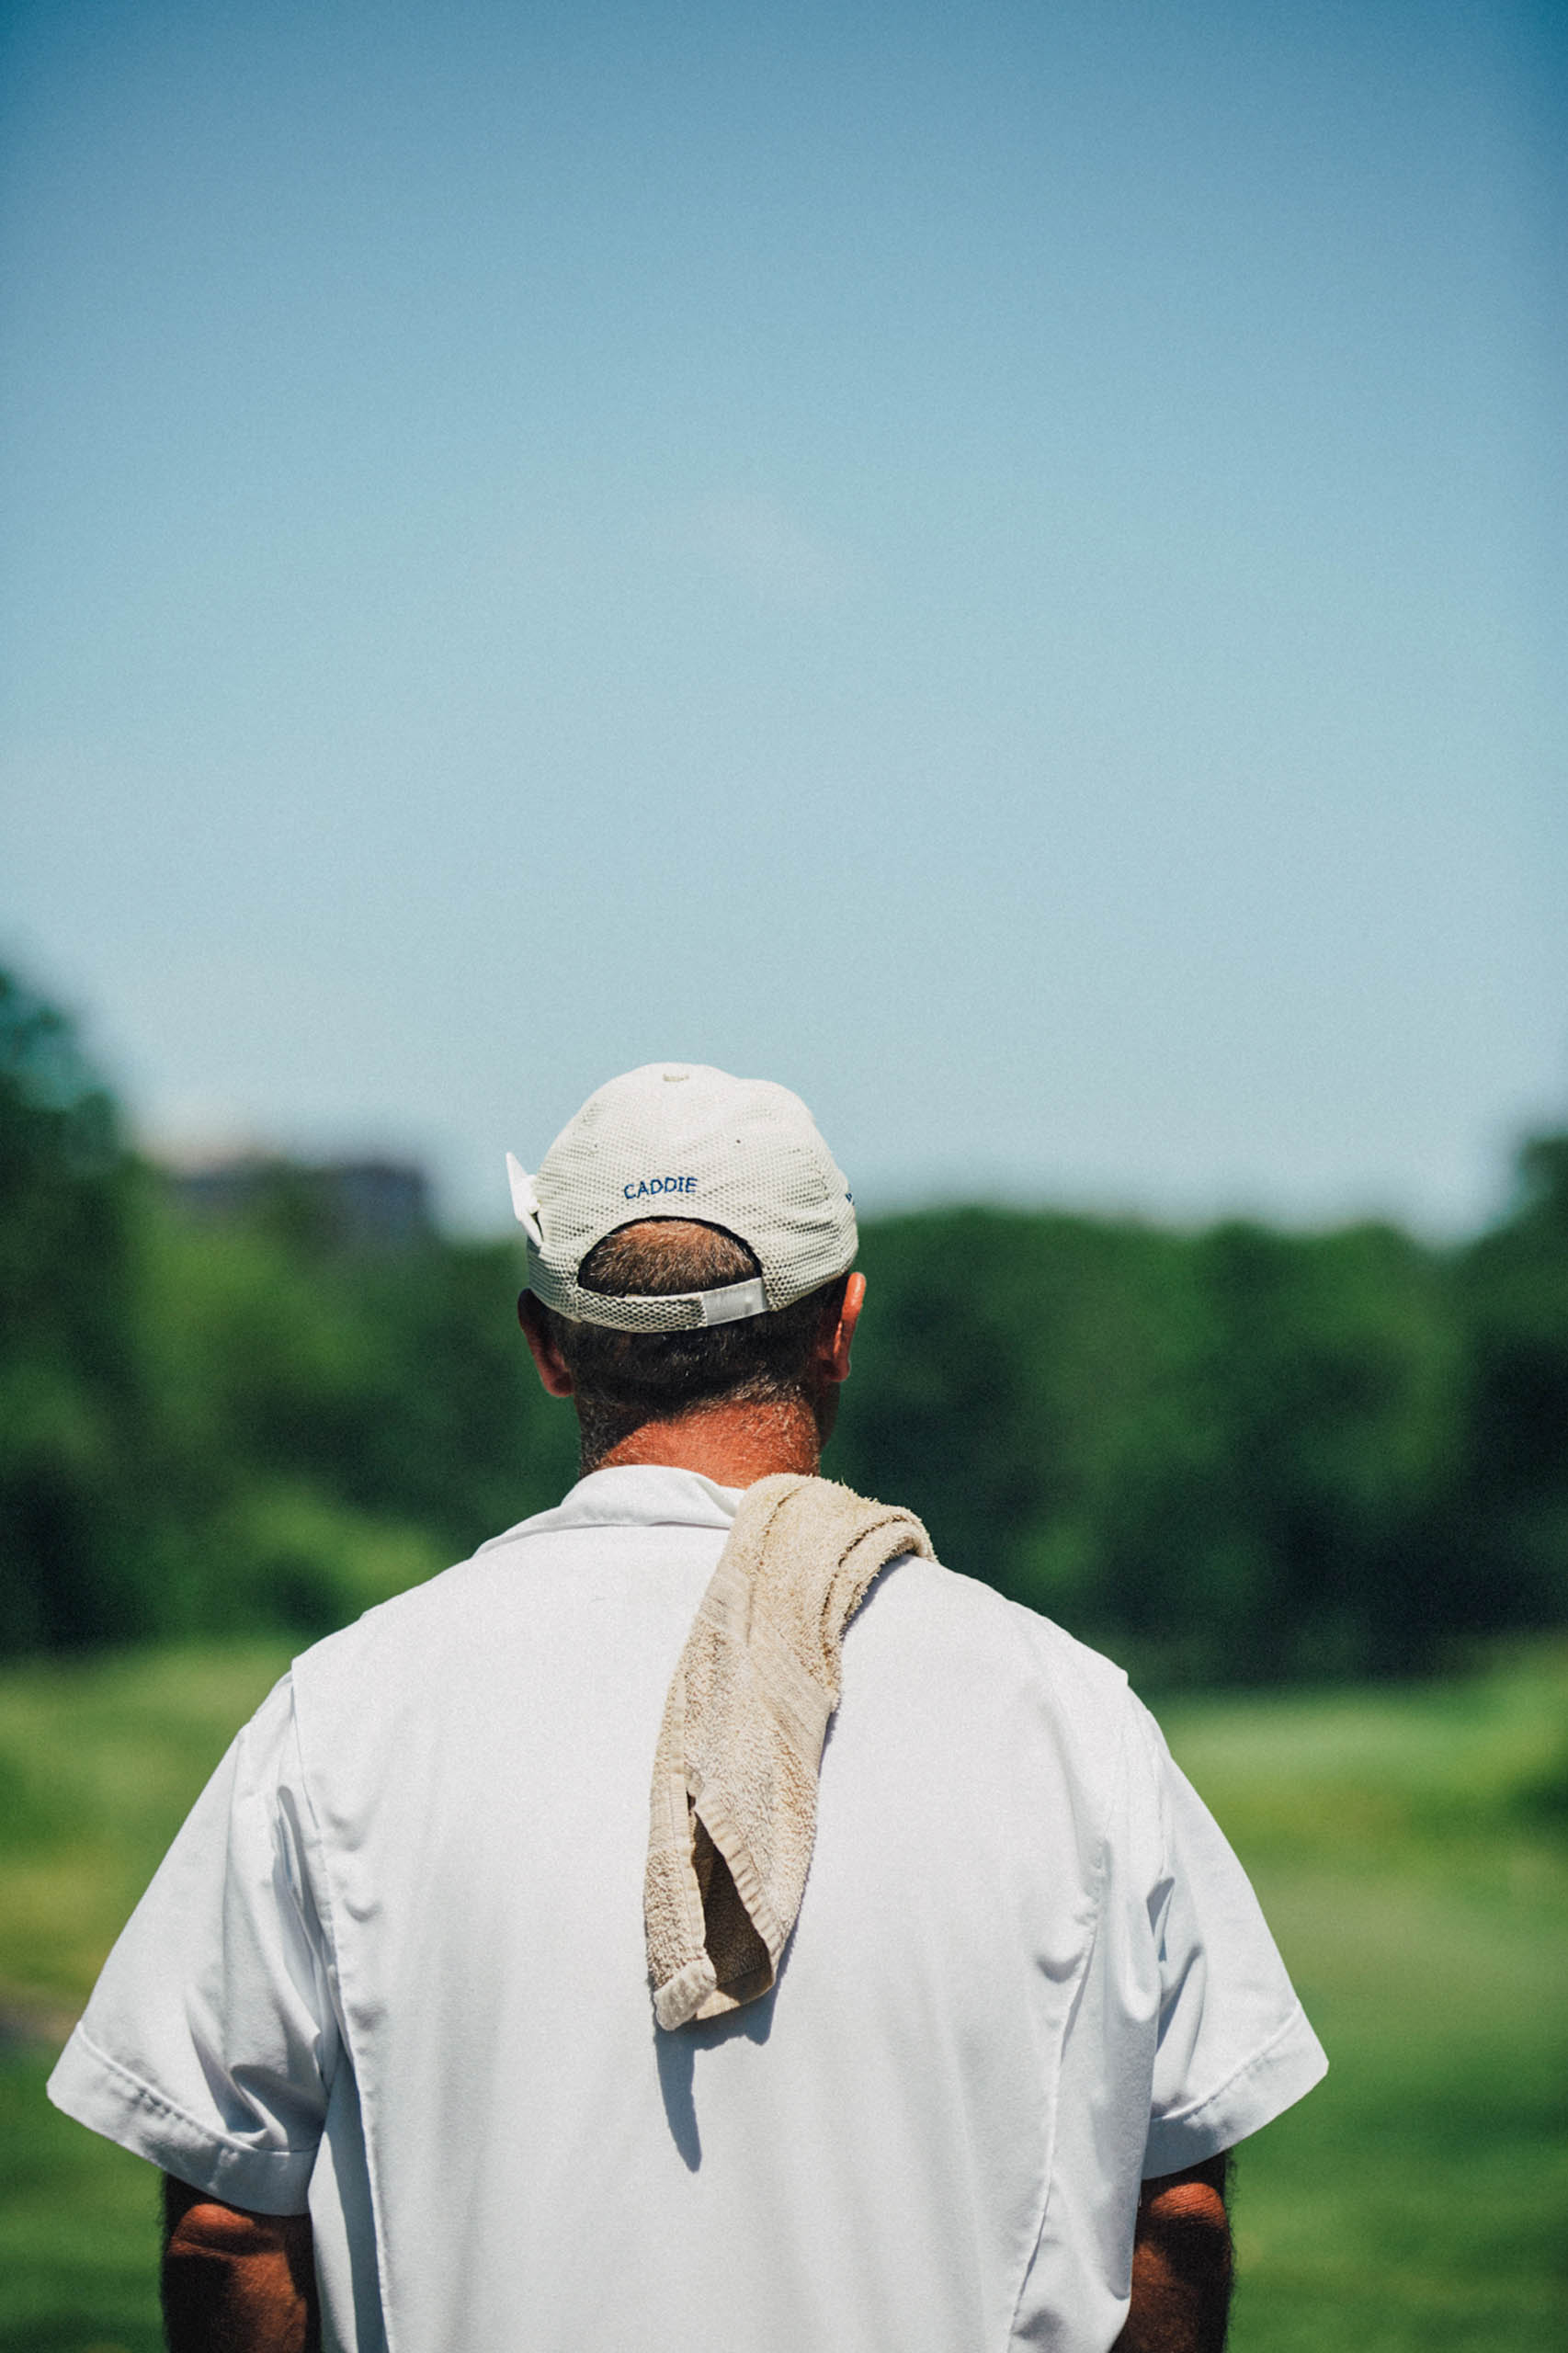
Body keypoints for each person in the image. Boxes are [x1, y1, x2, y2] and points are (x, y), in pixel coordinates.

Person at [49, 1062, 1326, 2353]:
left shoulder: (339, 1713)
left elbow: (224, 2228)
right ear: (840, 1325)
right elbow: (1179, 2222)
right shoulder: (1065, 1713)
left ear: (548, 1348)